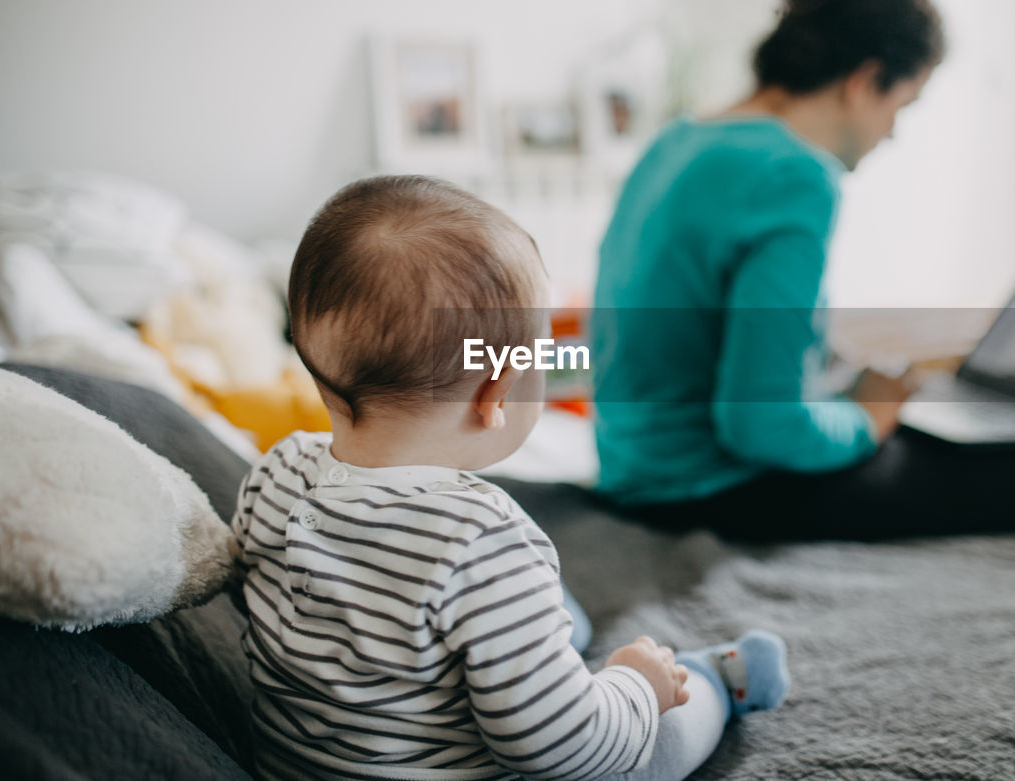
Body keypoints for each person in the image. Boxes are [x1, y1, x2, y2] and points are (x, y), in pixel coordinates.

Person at [230, 175, 791, 781]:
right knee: (642, 749)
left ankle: (539, 634)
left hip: (292, 766)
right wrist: (637, 682)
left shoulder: (278, 470)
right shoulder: (481, 537)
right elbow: (567, 752)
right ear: (496, 391)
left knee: (517, 617)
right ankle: (719, 680)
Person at [590, 0, 1015, 542]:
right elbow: (759, 427)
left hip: (632, 467)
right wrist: (869, 418)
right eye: (903, 107)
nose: (892, 135)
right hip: (709, 490)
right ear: (865, 81)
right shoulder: (793, 174)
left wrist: (834, 378)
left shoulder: (677, 141)